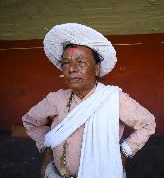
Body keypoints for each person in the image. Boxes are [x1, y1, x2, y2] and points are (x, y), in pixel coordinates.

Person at [22, 23, 156, 178]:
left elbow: (147, 123)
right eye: (66, 62)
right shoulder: (56, 98)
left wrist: (125, 152)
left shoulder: (113, 98)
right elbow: (30, 122)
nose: (71, 69)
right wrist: (48, 147)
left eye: (80, 62)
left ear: (97, 68)